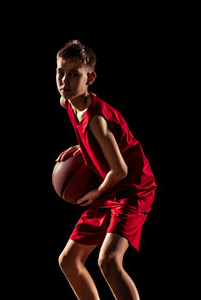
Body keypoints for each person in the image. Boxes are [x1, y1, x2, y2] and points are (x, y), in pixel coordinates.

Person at [56, 39, 156, 300]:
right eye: (61, 73)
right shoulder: (68, 102)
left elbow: (120, 170)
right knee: (68, 260)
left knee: (109, 261)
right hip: (110, 184)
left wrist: (95, 193)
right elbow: (96, 143)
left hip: (132, 188)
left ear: (91, 79)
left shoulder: (98, 121)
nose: (65, 81)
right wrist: (81, 148)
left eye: (74, 74)